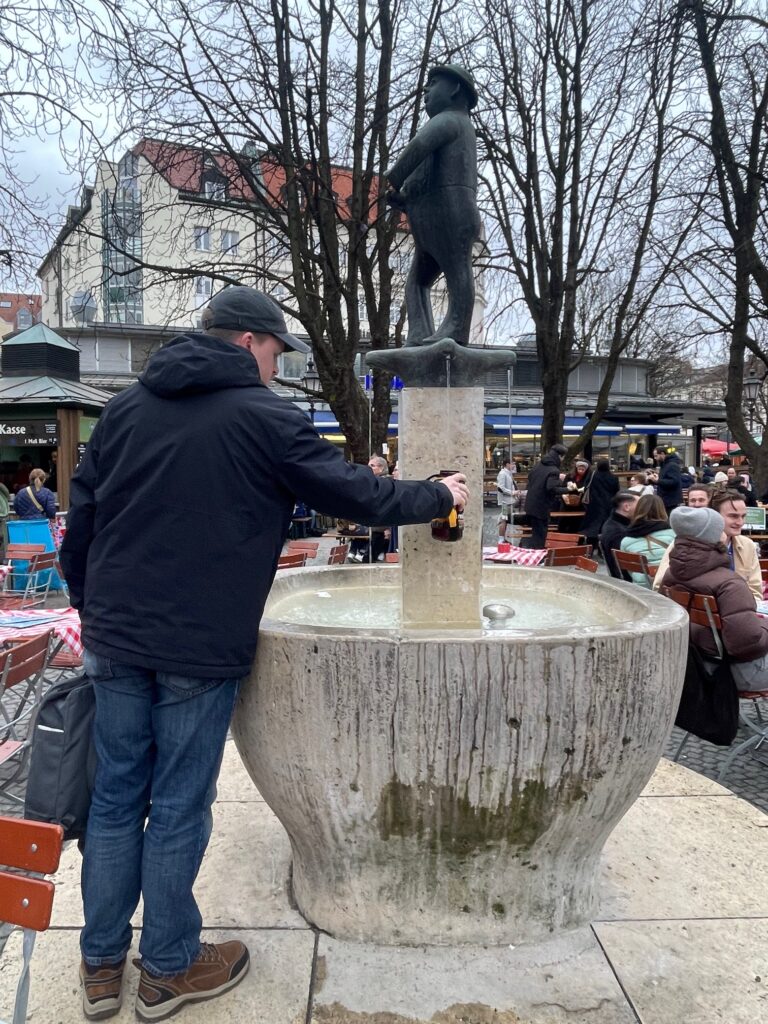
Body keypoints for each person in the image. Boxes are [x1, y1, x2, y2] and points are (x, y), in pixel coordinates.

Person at [59, 285, 470, 1023]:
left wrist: (95, 612)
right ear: (249, 341)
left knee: (117, 797)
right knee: (179, 802)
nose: (279, 366)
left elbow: (81, 519)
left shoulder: (123, 409)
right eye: (277, 351)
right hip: (196, 641)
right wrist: (436, 494)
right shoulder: (263, 416)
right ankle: (169, 968)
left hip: (115, 636)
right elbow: (352, 492)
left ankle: (100, 965)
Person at [385, 64, 480, 347]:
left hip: (452, 212)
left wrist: (393, 178)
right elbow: (424, 174)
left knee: (456, 269)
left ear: (454, 89)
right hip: (429, 218)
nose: (425, 90)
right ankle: (419, 332)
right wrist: (405, 198)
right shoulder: (448, 122)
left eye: (434, 82)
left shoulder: (451, 120)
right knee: (417, 281)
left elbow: (417, 148)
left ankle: (456, 327)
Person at [660, 506, 768, 690]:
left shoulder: (671, 575)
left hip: (696, 663)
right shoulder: (729, 583)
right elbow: (745, 645)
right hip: (734, 672)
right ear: (713, 535)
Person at [652, 488, 762, 603]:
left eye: (743, 516)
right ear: (715, 517)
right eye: (733, 516)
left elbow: (755, 591)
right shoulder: (685, 545)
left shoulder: (747, 545)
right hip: (696, 615)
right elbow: (659, 586)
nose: (740, 522)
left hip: (735, 612)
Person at [619, 494, 675, 587]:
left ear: (638, 511)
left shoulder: (625, 541)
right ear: (662, 510)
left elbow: (629, 571)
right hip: (668, 588)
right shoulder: (673, 535)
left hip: (641, 589)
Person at [523, 444, 569, 549]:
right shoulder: (554, 470)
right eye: (563, 457)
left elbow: (530, 478)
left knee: (536, 532)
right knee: (541, 534)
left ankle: (535, 552)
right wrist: (569, 489)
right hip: (541, 506)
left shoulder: (538, 465)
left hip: (531, 504)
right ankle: (540, 556)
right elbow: (552, 488)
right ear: (560, 456)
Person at [580, 458, 619, 556]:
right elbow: (616, 490)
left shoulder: (593, 475)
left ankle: (590, 550)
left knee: (592, 528)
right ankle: (603, 551)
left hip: (593, 505)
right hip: (608, 505)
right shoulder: (613, 477)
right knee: (604, 528)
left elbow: (586, 486)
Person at [599, 491, 639, 578]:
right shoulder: (618, 532)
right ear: (626, 507)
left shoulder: (613, 524)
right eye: (640, 505)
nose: (643, 509)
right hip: (631, 581)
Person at [652, 446, 683, 512]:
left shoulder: (672, 465)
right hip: (666, 499)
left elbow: (674, 482)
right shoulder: (665, 465)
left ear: (662, 454)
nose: (655, 458)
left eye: (656, 456)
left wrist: (658, 480)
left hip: (670, 501)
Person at [496, 458, 516, 541]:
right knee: (503, 519)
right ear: (507, 464)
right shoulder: (502, 473)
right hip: (505, 501)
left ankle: (503, 538)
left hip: (509, 501)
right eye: (512, 463)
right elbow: (501, 488)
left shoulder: (508, 473)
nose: (514, 465)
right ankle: (501, 539)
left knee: (505, 519)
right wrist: (512, 492)